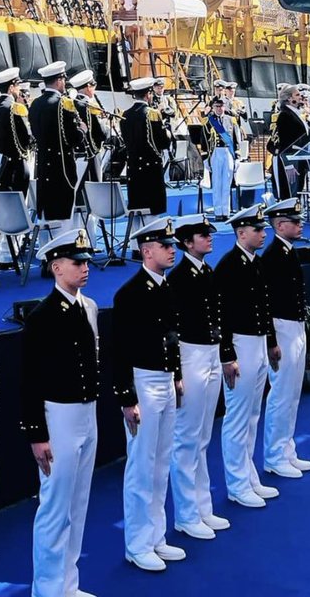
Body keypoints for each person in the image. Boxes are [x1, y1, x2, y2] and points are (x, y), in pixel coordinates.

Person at [21, 230, 100, 597]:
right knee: (55, 507)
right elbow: (30, 378)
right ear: (56, 268)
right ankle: (48, 588)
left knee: (78, 503)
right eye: (77, 262)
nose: (85, 268)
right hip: (59, 416)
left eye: (85, 261)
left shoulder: (89, 307)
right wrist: (38, 433)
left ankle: (68, 583)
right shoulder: (42, 316)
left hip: (87, 411)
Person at [111, 217, 184, 573]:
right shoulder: (129, 294)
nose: (172, 250)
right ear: (147, 251)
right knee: (141, 465)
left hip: (166, 379)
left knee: (161, 461)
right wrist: (127, 397)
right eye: (165, 246)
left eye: (172, 245)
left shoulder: (166, 287)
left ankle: (157, 535)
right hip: (143, 381)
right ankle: (137, 543)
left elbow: (172, 336)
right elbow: (119, 349)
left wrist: (178, 376)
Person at [166, 215, 230, 539]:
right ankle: (186, 513)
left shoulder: (208, 272)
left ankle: (203, 506)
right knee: (187, 436)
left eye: (209, 234)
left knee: (204, 435)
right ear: (187, 242)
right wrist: (177, 373)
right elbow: (173, 331)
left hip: (211, 350)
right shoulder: (178, 279)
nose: (209, 239)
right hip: (190, 353)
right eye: (203, 235)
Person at [215, 204, 281, 506]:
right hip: (240, 342)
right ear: (241, 233)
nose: (263, 233)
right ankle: (237, 483)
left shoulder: (256, 263)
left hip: (256, 342)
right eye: (258, 229)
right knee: (238, 416)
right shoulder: (229, 266)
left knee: (254, 413)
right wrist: (227, 354)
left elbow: (264, 305)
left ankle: (249, 474)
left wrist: (270, 340)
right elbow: (222, 315)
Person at [260, 198, 310, 479]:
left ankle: (287, 449)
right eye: (295, 222)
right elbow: (266, 303)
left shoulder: (289, 252)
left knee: (293, 393)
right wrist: (271, 340)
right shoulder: (272, 257)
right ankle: (273, 454)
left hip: (294, 324)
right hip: (281, 326)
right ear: (280, 226)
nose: (300, 224)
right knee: (281, 393)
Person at [28, 61, 87, 228]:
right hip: (62, 168)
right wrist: (82, 130)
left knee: (47, 214)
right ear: (59, 80)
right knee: (63, 217)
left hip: (44, 166)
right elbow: (72, 138)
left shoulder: (35, 104)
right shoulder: (64, 103)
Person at [120, 76, 169, 216]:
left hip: (133, 168)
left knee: (137, 209)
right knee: (152, 211)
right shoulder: (152, 114)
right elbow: (163, 142)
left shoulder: (125, 115)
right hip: (151, 169)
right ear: (148, 94)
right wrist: (165, 126)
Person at [0, 66, 33, 196]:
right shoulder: (17, 108)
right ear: (11, 87)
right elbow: (27, 138)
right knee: (19, 206)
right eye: (17, 86)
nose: (19, 90)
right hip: (16, 167)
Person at [268, 84, 310, 202]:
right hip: (288, 159)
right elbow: (284, 141)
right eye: (297, 95)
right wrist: (289, 164)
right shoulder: (285, 115)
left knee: (296, 191)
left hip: (299, 157)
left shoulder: (297, 113)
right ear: (289, 99)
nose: (300, 97)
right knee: (288, 193)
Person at [69, 69, 109, 184]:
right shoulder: (90, 106)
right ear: (88, 87)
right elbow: (101, 133)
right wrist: (105, 122)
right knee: (94, 184)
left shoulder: (71, 104)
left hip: (76, 152)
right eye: (94, 85)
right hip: (91, 152)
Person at [202, 96, 237, 219]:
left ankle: (226, 211)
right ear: (212, 107)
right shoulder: (208, 121)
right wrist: (206, 158)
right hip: (215, 152)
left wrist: (236, 157)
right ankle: (218, 212)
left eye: (221, 106)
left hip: (228, 152)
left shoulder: (231, 120)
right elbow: (204, 141)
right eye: (217, 106)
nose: (219, 108)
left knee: (227, 182)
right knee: (217, 183)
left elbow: (235, 139)